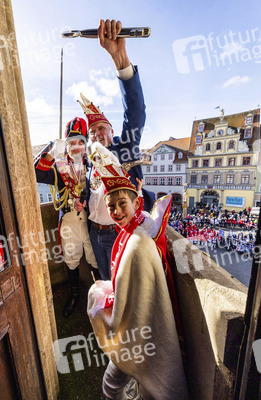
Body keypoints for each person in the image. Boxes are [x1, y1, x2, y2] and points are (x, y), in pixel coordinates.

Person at [87, 143, 189, 400]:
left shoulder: (138, 242)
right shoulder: (133, 228)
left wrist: (103, 298)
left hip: (137, 334)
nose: (116, 212)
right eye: (111, 207)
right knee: (134, 383)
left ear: (137, 202)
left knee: (112, 383)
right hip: (141, 330)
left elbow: (129, 299)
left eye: (122, 204)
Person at [77, 19, 155, 281]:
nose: (97, 134)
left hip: (119, 231)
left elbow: (135, 112)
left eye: (102, 128)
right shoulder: (89, 163)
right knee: (105, 279)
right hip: (94, 232)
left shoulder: (126, 145)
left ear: (112, 131)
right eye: (92, 132)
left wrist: (119, 58)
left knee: (124, 284)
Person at [35, 118, 98, 317]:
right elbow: (36, 172)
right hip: (70, 222)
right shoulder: (59, 165)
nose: (76, 147)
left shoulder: (93, 164)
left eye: (80, 142)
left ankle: (100, 297)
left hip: (91, 222)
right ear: (66, 144)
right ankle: (75, 295)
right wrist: (52, 149)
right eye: (71, 143)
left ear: (85, 144)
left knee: (95, 260)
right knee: (71, 261)